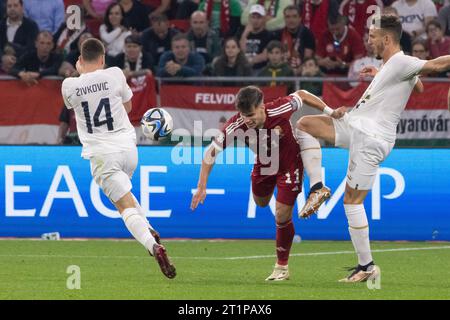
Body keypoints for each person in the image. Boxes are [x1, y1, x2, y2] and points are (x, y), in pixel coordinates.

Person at [295, 14, 450, 282]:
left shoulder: (402, 61)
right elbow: (421, 88)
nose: (369, 42)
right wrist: (383, 75)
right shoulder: (395, 66)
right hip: (354, 125)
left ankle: (366, 267)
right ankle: (318, 187)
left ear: (387, 39)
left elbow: (434, 66)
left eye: (373, 37)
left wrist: (400, 72)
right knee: (305, 124)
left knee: (352, 202)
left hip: (371, 138)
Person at [61, 38, 176, 279]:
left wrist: (81, 74)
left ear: (80, 60)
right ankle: (148, 228)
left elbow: (72, 103)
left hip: (102, 155)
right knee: (126, 195)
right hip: (128, 149)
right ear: (103, 58)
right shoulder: (115, 74)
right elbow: (129, 105)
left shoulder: (69, 85)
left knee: (123, 207)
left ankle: (152, 246)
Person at [191, 85, 307, 281]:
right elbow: (210, 152)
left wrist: (330, 112)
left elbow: (303, 95)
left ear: (261, 106)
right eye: (243, 115)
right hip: (265, 165)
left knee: (281, 213)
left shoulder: (280, 108)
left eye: (251, 114)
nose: (247, 120)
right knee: (261, 203)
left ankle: (282, 267)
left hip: (289, 164)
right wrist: (202, 186)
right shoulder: (236, 124)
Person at [273, 5, 316, 75]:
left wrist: (294, 73)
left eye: (294, 16)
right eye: (288, 17)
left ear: (300, 18)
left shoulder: (307, 34)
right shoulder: (277, 34)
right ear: (284, 19)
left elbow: (307, 59)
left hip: (302, 73)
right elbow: (274, 58)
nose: (291, 20)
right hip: (282, 72)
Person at [239, 4, 273, 73]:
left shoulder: (269, 35)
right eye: (253, 17)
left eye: (258, 17)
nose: (255, 20)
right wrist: (245, 34)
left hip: (260, 69)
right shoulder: (242, 33)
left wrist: (250, 61)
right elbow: (240, 51)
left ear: (264, 19)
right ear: (249, 18)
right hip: (244, 68)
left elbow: (264, 56)